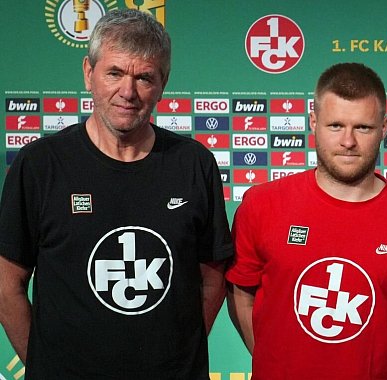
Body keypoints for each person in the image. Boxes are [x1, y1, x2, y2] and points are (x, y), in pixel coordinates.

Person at [0, 9, 232, 379]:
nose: (128, 91)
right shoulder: (40, 165)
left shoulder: (194, 164)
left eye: (144, 78)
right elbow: (6, 284)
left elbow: (213, 279)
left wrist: (175, 358)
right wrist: (47, 366)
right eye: (114, 73)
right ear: (88, 73)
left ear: (163, 84)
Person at [226, 62, 387, 379]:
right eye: (335, 126)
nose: (348, 141)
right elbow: (241, 293)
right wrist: (276, 362)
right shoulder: (261, 204)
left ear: (384, 128)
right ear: (313, 122)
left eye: (363, 127)